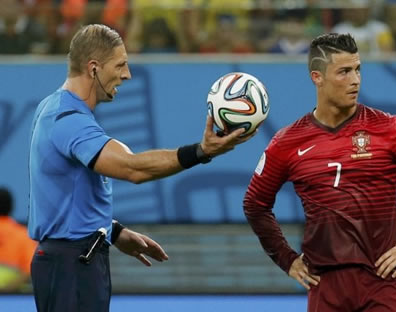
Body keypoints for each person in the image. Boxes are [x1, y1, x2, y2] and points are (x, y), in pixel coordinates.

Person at [28, 24, 252, 312]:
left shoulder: (55, 107)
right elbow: (133, 169)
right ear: (94, 68)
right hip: (71, 263)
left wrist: (113, 232)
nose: (127, 74)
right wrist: (201, 151)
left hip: (75, 257)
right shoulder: (69, 119)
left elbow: (63, 196)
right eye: (120, 65)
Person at [243, 33, 396, 312]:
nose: (355, 80)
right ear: (317, 77)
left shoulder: (390, 130)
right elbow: (255, 204)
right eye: (344, 72)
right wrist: (286, 259)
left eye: (358, 69)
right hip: (325, 286)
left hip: (383, 283)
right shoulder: (287, 143)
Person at [0, 187, 37, 292]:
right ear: (11, 207)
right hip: (14, 298)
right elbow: (30, 270)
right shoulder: (24, 235)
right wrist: (7, 291)